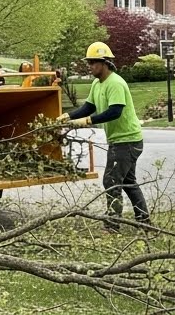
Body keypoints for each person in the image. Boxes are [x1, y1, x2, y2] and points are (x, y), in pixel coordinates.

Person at [59, 41, 149, 231]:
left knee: (111, 181)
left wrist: (88, 121)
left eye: (93, 62)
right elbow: (89, 106)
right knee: (128, 182)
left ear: (105, 62)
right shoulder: (97, 83)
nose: (90, 66)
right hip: (121, 140)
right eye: (89, 62)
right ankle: (144, 221)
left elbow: (115, 111)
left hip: (127, 140)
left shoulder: (115, 83)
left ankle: (112, 225)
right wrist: (69, 115)